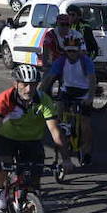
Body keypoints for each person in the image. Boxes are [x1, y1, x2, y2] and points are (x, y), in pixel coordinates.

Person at [0, 64, 74, 211]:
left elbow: (55, 131)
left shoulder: (44, 100)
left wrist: (66, 159)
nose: (29, 89)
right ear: (16, 83)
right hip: (6, 138)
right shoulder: (4, 99)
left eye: (33, 85)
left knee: (33, 184)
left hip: (32, 140)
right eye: (25, 85)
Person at [39, 34, 97, 164]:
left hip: (84, 92)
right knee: (58, 115)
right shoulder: (61, 60)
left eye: (74, 51)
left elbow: (93, 81)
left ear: (78, 50)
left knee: (85, 123)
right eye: (68, 51)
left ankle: (86, 150)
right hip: (68, 91)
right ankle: (62, 137)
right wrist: (38, 94)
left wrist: (90, 98)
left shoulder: (85, 61)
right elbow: (49, 78)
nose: (71, 54)